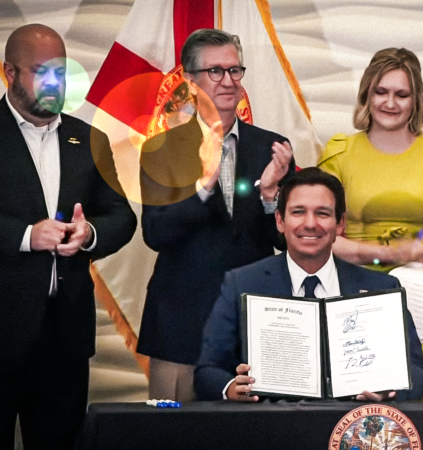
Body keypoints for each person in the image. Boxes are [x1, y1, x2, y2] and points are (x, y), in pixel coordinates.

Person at [0, 24, 137, 448]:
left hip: (64, 338)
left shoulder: (89, 139)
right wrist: (26, 235)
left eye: (61, 72)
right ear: (10, 72)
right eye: (42, 73)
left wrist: (88, 233)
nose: (54, 84)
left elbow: (122, 217)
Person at [137, 28, 295, 402]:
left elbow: (286, 242)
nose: (228, 80)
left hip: (254, 325)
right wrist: (204, 188)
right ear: (191, 82)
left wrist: (270, 197)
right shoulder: (161, 149)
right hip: (181, 326)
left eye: (234, 70)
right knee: (174, 431)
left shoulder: (272, 147)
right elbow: (156, 233)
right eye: (215, 71)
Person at [195, 167, 423, 401]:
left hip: (354, 420)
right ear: (280, 220)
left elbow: (418, 371)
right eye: (298, 212)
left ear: (340, 224)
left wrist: (391, 391)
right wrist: (232, 388)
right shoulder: (242, 283)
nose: (310, 223)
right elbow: (207, 371)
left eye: (322, 213)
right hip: (271, 421)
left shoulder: (381, 287)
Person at [317, 48, 423, 399]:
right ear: (366, 95)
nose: (390, 103)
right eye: (381, 92)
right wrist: (387, 254)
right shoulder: (339, 153)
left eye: (401, 94)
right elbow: (325, 239)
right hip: (357, 291)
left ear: (416, 101)